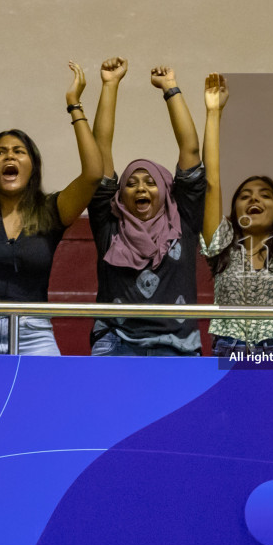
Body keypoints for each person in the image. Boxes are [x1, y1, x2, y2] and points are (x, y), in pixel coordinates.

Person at [0, 63, 104, 355]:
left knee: (48, 401)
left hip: (34, 333)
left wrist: (74, 105)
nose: (8, 156)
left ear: (32, 166)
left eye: (18, 151)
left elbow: (93, 173)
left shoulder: (52, 209)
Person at [88, 60, 207, 356]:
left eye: (150, 182)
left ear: (166, 191)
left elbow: (191, 150)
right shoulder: (109, 223)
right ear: (120, 195)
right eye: (132, 183)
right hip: (115, 347)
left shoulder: (184, 218)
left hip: (178, 349)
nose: (141, 188)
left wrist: (170, 89)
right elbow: (99, 152)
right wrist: (109, 85)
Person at [200, 68, 273, 357]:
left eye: (265, 195)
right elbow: (212, 183)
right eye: (244, 196)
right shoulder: (223, 241)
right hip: (227, 349)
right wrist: (213, 113)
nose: (254, 199)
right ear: (234, 209)